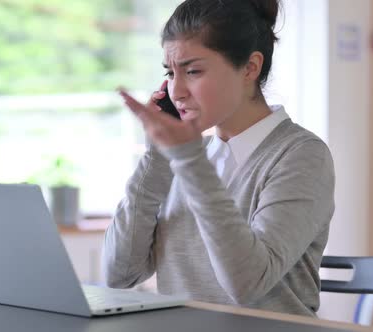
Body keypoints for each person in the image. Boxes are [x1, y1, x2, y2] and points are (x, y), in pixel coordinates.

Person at [102, 0, 335, 317]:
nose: (177, 91)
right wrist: (157, 157)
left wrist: (187, 160)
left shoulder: (301, 155)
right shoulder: (184, 157)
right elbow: (119, 274)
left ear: (250, 68)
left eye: (193, 70)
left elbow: (247, 285)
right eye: (170, 73)